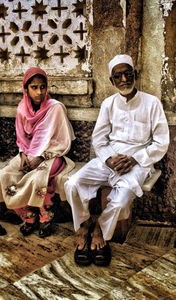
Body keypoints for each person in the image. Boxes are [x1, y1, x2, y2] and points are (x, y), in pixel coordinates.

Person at [64, 54, 170, 266]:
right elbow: (99, 139)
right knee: (73, 184)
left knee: (121, 200)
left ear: (135, 75)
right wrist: (108, 159)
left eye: (127, 74)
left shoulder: (152, 103)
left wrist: (135, 158)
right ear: (112, 81)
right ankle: (84, 224)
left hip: (138, 163)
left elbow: (161, 142)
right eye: (118, 76)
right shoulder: (108, 104)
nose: (124, 79)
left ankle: (100, 231)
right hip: (109, 159)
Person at [0, 67, 75, 237]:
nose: (39, 92)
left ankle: (45, 216)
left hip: (53, 156)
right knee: (5, 176)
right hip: (28, 154)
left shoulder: (55, 108)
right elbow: (21, 139)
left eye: (43, 87)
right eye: (34, 87)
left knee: (37, 178)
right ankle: (28, 214)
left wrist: (41, 157)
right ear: (25, 89)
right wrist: (24, 155)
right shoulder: (21, 109)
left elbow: (63, 142)